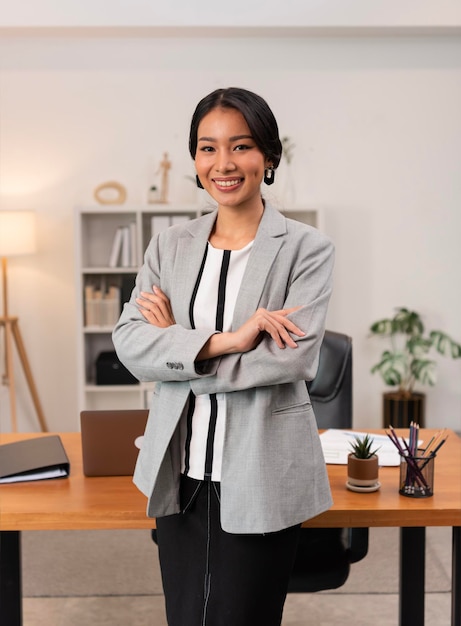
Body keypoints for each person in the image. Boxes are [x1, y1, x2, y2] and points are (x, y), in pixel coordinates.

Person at [112, 87, 335, 626]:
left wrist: (180, 350)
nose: (224, 163)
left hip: (261, 470)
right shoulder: (169, 245)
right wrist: (229, 341)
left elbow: (289, 361)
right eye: (208, 148)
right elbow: (129, 342)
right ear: (195, 159)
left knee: (243, 617)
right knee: (186, 616)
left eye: (241, 146)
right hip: (181, 470)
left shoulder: (307, 248)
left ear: (269, 157)